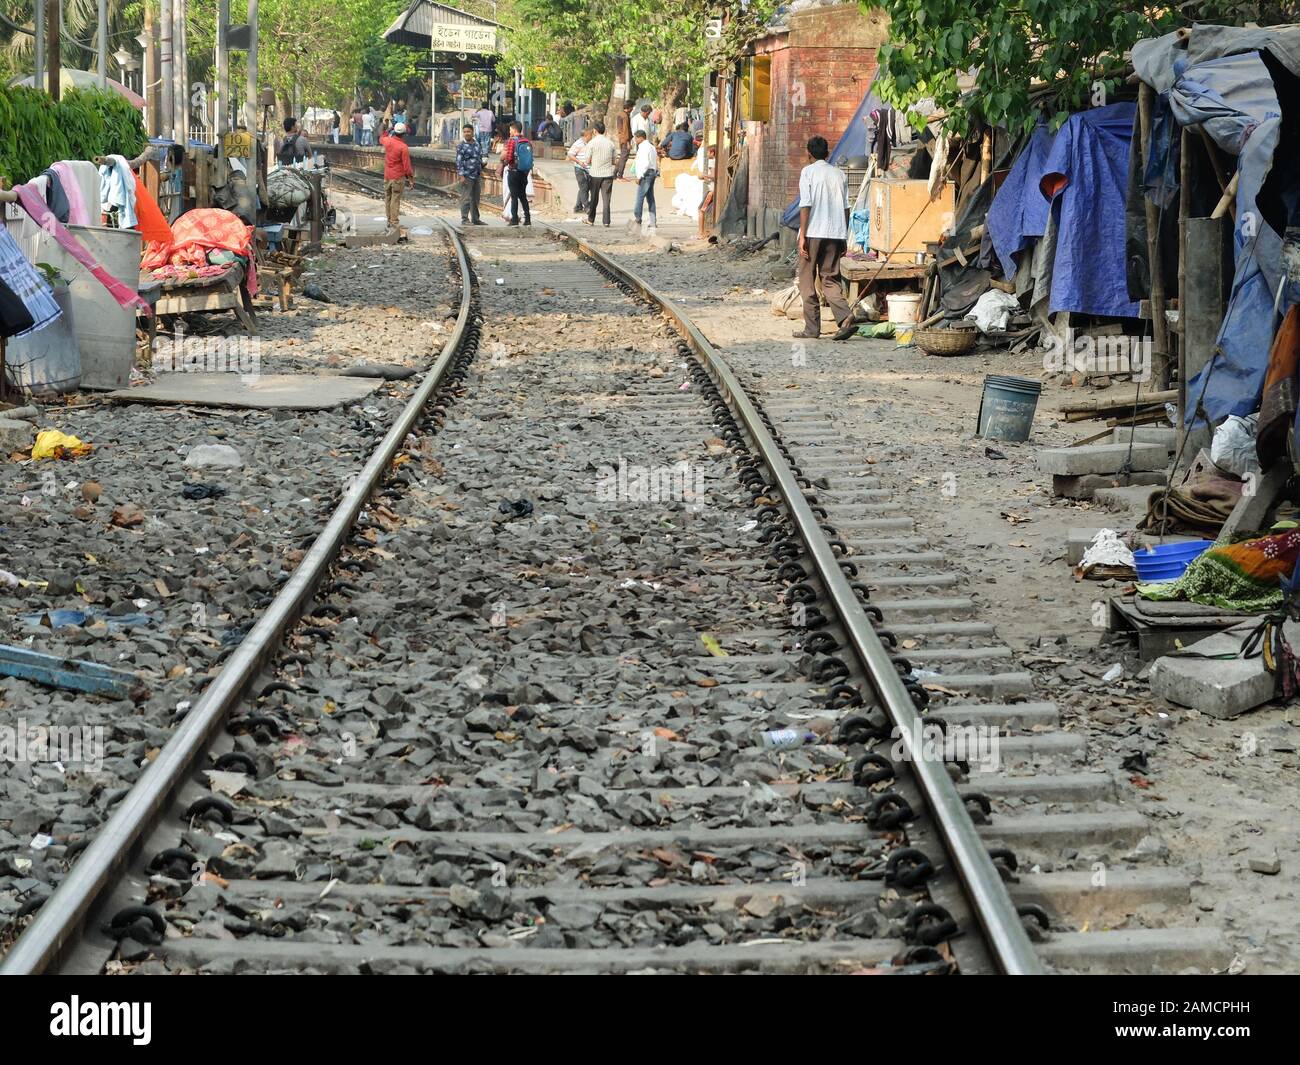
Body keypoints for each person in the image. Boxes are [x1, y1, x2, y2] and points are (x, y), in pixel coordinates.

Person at [794, 135, 852, 339]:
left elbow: (806, 205)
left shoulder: (807, 173)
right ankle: (844, 317)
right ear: (827, 153)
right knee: (830, 279)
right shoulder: (839, 174)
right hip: (835, 233)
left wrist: (803, 236)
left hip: (813, 233)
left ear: (808, 153)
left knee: (807, 280)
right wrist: (844, 235)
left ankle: (811, 329)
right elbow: (846, 207)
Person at [379, 120, 414, 230]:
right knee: (395, 199)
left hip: (387, 175)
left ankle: (389, 220)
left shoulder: (387, 141)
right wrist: (411, 179)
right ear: (404, 134)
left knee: (388, 198)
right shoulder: (403, 147)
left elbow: (381, 137)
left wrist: (388, 129)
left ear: (394, 132)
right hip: (397, 177)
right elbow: (407, 166)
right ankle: (394, 221)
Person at [500, 120, 533, 226]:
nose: (509, 132)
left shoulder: (512, 141)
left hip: (514, 171)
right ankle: (527, 219)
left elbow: (509, 157)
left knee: (514, 196)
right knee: (523, 196)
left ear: (514, 130)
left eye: (510, 130)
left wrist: (505, 163)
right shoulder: (527, 141)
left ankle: (514, 219)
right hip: (524, 172)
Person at [585, 120, 616, 227]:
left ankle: (591, 219)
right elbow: (614, 161)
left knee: (594, 198)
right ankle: (606, 221)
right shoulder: (610, 143)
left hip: (595, 174)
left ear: (594, 131)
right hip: (608, 174)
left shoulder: (591, 143)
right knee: (606, 199)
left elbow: (587, 161)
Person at [456, 123, 485, 226]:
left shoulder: (477, 144)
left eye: (468, 131)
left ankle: (475, 219)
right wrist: (461, 176)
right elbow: (459, 162)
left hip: (476, 175)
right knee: (466, 198)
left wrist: (482, 167)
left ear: (472, 132)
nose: (466, 133)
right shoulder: (461, 146)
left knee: (476, 198)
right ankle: (464, 219)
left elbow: (479, 157)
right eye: (464, 132)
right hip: (467, 175)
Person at [632, 129, 658, 236]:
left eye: (635, 138)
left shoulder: (643, 148)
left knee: (640, 197)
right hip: (652, 172)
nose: (634, 140)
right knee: (650, 198)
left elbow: (644, 163)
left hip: (646, 174)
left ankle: (638, 218)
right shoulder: (651, 147)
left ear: (640, 138)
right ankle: (653, 221)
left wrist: (639, 176)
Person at [566, 125, 595, 214]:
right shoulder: (578, 143)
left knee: (585, 188)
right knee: (584, 187)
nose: (592, 136)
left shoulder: (590, 143)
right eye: (591, 135)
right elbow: (570, 154)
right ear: (586, 135)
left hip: (588, 169)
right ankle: (587, 207)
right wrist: (579, 162)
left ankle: (578, 206)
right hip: (580, 169)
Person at [614, 101, 633, 179]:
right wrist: (628, 142)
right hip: (625, 139)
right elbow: (625, 130)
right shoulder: (625, 116)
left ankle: (615, 173)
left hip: (621, 138)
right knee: (624, 157)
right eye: (632, 107)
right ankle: (620, 175)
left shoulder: (620, 114)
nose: (632, 109)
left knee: (622, 156)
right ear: (629, 108)